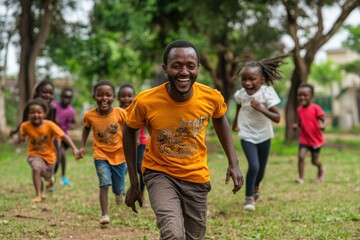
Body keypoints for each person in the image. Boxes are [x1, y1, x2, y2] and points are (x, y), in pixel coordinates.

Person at [123, 39, 244, 239]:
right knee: (172, 234)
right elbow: (129, 129)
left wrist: (234, 163)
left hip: (196, 177)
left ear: (198, 68)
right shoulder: (146, 101)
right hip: (159, 173)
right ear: (165, 68)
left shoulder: (210, 97)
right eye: (176, 66)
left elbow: (220, 118)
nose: (184, 72)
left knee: (194, 236)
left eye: (190, 66)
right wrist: (134, 182)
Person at [232, 55, 286, 211]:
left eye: (252, 79)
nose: (248, 83)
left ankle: (256, 185)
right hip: (247, 134)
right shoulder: (240, 94)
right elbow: (238, 107)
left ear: (261, 80)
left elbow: (277, 118)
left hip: (264, 135)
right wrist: (235, 122)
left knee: (261, 169)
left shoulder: (267, 93)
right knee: (254, 166)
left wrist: (261, 108)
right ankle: (249, 198)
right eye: (244, 79)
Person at [79, 80, 127, 225]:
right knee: (104, 183)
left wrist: (132, 144)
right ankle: (104, 214)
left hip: (119, 154)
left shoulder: (121, 113)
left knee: (118, 186)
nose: (104, 98)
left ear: (114, 98)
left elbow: (130, 129)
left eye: (108, 95)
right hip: (100, 154)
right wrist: (81, 146)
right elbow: (86, 128)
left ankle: (118, 193)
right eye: (100, 95)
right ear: (94, 97)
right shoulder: (89, 115)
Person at [19, 98, 80, 203]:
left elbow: (64, 136)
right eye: (32, 112)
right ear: (28, 114)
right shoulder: (25, 126)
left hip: (50, 157)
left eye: (39, 112)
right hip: (34, 155)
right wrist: (20, 140)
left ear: (44, 113)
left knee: (47, 176)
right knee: (36, 168)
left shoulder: (50, 125)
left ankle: (50, 180)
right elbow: (22, 137)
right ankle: (38, 194)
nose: (36, 115)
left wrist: (74, 148)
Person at [117, 84, 148, 206]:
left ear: (134, 97)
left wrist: (139, 139)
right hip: (122, 146)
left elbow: (145, 125)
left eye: (129, 96)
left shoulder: (138, 109)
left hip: (141, 144)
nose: (126, 99)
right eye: (123, 96)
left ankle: (141, 194)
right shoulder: (117, 112)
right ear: (118, 98)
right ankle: (119, 192)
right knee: (122, 170)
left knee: (141, 169)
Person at [292, 83, 326, 184]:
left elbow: (324, 119)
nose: (302, 97)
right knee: (301, 157)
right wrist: (296, 125)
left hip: (315, 139)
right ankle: (301, 178)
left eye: (305, 95)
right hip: (304, 139)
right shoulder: (299, 110)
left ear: (311, 96)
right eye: (300, 95)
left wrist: (324, 125)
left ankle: (321, 170)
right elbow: (301, 121)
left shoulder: (316, 108)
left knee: (314, 161)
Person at [53, 87, 78, 186]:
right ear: (61, 96)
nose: (66, 99)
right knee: (58, 156)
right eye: (64, 96)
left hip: (63, 136)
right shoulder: (54, 105)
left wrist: (69, 126)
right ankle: (52, 177)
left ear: (71, 98)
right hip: (52, 135)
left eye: (68, 97)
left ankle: (62, 176)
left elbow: (75, 123)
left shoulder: (71, 111)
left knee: (61, 155)